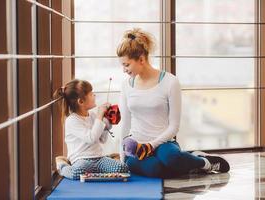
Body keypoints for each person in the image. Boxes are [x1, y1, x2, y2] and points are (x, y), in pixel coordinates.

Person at [116, 28, 230, 178]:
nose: (123, 70)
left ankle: (204, 163)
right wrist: (123, 157)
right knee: (156, 169)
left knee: (171, 158)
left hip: (164, 143)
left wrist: (152, 145)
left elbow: (174, 126)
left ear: (142, 59)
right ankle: (188, 159)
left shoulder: (170, 82)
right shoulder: (126, 85)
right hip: (138, 147)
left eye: (127, 65)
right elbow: (125, 124)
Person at [53, 79, 128, 180]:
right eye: (91, 94)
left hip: (98, 158)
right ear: (81, 101)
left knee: (122, 168)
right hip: (81, 160)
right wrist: (100, 115)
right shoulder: (72, 121)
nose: (94, 95)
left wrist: (106, 124)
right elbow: (91, 138)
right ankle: (62, 165)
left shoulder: (92, 116)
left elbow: (102, 139)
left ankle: (109, 158)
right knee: (77, 173)